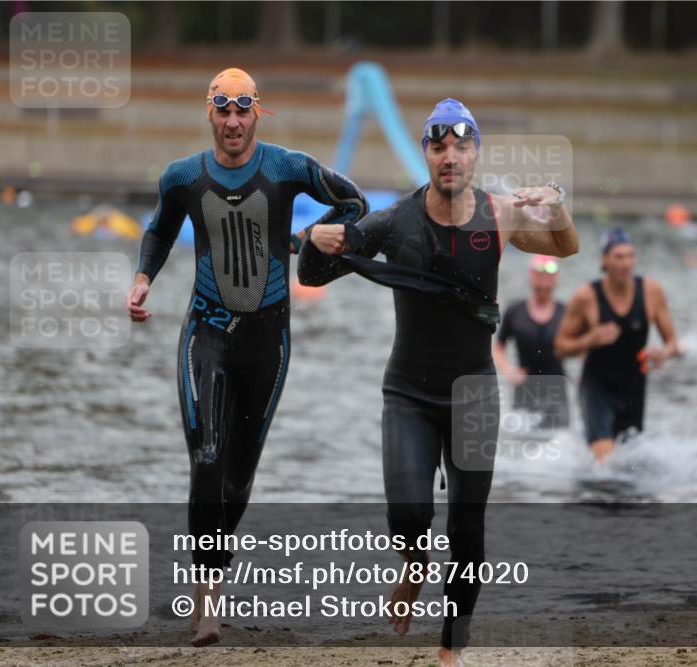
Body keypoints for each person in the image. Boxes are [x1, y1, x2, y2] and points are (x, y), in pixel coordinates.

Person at [297, 98, 578, 667]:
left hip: (474, 392)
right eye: (438, 146)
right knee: (407, 517)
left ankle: (451, 650)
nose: (450, 156)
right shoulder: (395, 220)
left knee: (467, 529)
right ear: (426, 153)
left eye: (461, 146)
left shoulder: (500, 214)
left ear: (475, 153)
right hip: (408, 392)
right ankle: (414, 563)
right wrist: (314, 241)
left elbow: (565, 246)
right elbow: (313, 274)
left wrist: (557, 203)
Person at [126, 68, 367, 646]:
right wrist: (142, 279)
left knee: (237, 479)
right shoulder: (182, 177)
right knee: (207, 457)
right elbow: (160, 232)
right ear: (209, 113)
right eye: (223, 110)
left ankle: (212, 577)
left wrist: (307, 241)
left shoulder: (288, 168)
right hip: (205, 334)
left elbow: (354, 204)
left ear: (257, 112)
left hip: (268, 342)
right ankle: (207, 600)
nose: (232, 122)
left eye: (242, 110)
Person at [554, 229, 681, 463]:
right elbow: (560, 347)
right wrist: (589, 339)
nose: (626, 263)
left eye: (630, 256)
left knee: (627, 465)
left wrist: (663, 353)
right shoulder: (586, 297)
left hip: (633, 388)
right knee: (606, 461)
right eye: (619, 256)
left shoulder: (651, 291)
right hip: (597, 388)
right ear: (604, 260)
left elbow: (673, 343)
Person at [492, 254, 570, 429]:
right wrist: (508, 370)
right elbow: (498, 348)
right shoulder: (515, 311)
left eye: (549, 273)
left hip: (556, 390)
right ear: (531, 275)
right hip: (524, 387)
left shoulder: (566, 313)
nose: (544, 279)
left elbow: (582, 348)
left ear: (556, 278)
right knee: (523, 437)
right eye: (539, 273)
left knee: (560, 437)